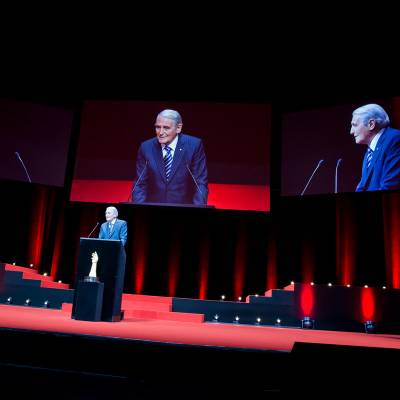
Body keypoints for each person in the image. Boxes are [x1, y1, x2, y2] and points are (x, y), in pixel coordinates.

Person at [132, 109, 208, 205]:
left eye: (166, 128)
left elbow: (200, 183)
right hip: (153, 208)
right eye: (158, 127)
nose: (160, 132)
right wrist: (139, 209)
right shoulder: (146, 147)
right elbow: (140, 184)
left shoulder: (194, 146)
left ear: (178, 128)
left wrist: (198, 210)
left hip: (184, 209)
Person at [350, 103, 400, 191]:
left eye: (355, 125)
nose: (351, 131)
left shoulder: (394, 140)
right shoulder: (370, 150)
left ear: (371, 124)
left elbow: (390, 185)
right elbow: (362, 187)